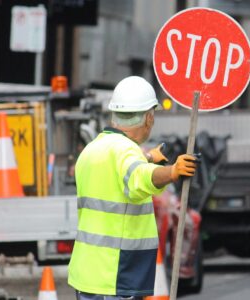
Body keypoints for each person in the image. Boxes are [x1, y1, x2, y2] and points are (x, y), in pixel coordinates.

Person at [68, 76, 197, 300]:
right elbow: (139, 178)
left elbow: (120, 179)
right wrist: (173, 171)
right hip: (116, 274)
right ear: (148, 118)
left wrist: (147, 158)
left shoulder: (91, 150)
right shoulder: (127, 151)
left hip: (87, 274)